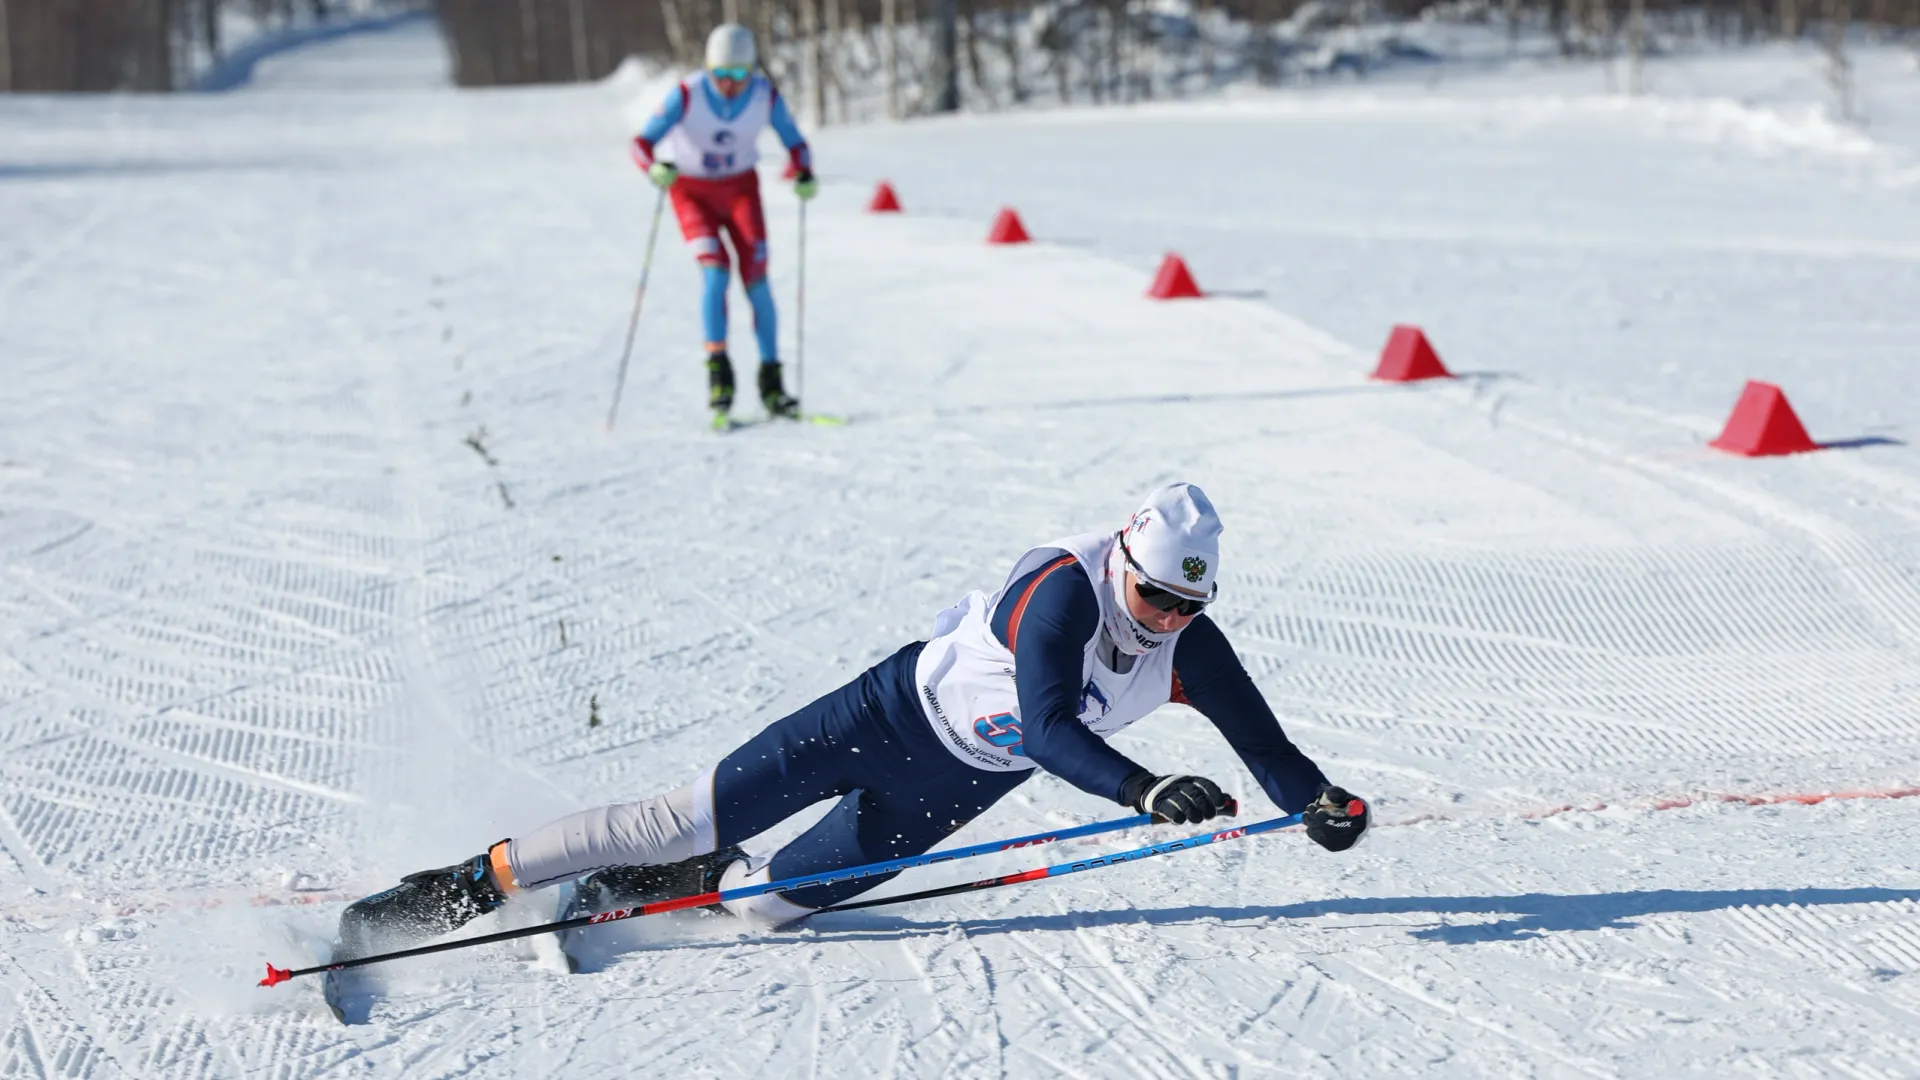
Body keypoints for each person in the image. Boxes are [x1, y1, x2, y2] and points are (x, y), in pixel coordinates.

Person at [335, 483, 1370, 955]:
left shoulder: (1188, 642)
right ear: (1124, 566)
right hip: (879, 717)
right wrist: (1142, 788)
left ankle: (689, 887)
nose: (1169, 623)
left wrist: (1317, 801)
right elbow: (1052, 730)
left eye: (1192, 609)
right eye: (1157, 601)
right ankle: (473, 882)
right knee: (674, 818)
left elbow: (1264, 745)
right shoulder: (1062, 591)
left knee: (767, 909)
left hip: (957, 783)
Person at [631, 23, 815, 423]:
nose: (730, 84)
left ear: (751, 70)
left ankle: (772, 381)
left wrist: (803, 171)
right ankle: (719, 375)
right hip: (692, 193)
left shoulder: (764, 95)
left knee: (757, 279)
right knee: (715, 274)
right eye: (721, 74)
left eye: (739, 75)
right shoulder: (688, 93)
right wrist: (654, 168)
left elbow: (796, 142)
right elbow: (641, 143)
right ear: (708, 68)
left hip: (740, 193)